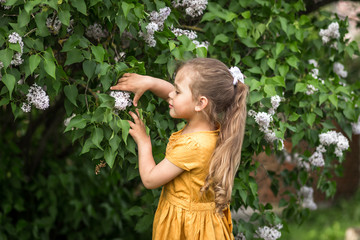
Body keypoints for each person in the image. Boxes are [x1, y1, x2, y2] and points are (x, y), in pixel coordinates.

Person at [110, 58, 248, 239]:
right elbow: (178, 96)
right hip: (203, 225)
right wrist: (149, 82)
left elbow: (150, 179)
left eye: (177, 91)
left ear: (201, 103)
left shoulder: (194, 146)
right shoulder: (207, 125)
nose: (171, 95)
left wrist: (144, 142)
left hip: (188, 230)